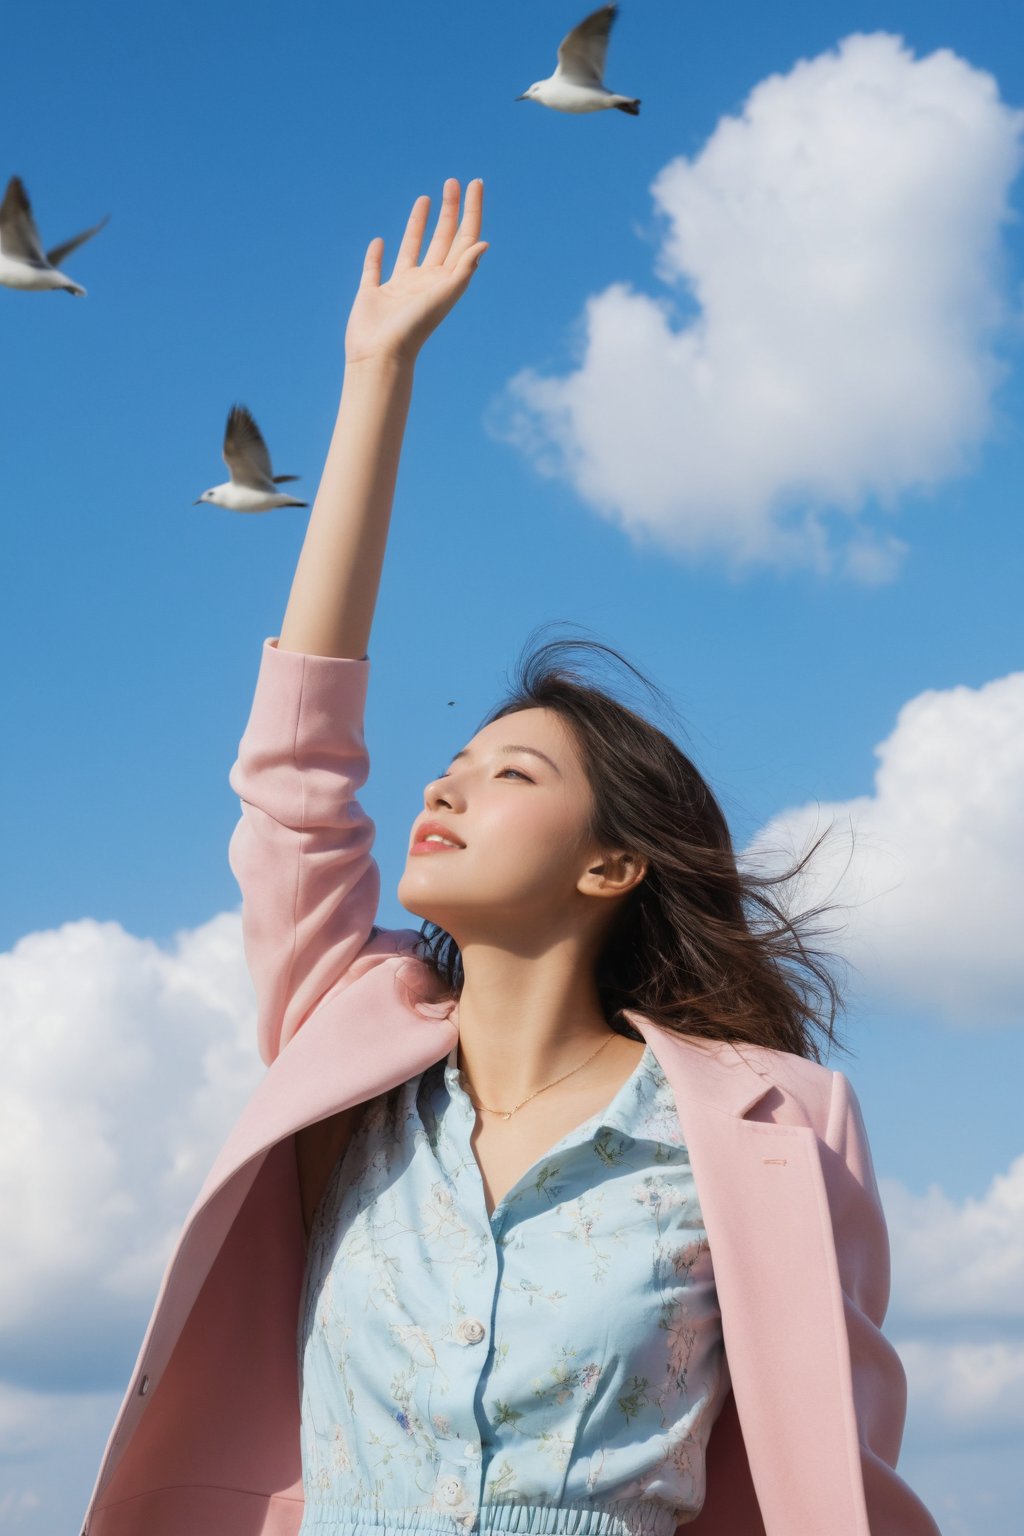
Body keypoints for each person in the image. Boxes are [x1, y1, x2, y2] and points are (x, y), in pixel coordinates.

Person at [80, 178, 941, 1536]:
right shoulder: (342, 1050)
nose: (450, 782)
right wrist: (374, 381)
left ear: (614, 867)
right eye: (456, 763)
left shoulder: (771, 1125)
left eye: (514, 774)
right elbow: (299, 771)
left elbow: (838, 1474)